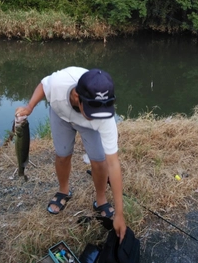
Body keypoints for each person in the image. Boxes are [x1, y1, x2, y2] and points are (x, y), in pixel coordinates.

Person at [15, 66, 126, 241]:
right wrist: (30, 106)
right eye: (92, 109)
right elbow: (44, 85)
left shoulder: (103, 117)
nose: (97, 115)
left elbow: (114, 164)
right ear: (77, 97)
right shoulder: (59, 84)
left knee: (99, 160)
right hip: (61, 115)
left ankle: (101, 200)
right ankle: (63, 191)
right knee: (63, 154)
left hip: (88, 127)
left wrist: (119, 214)